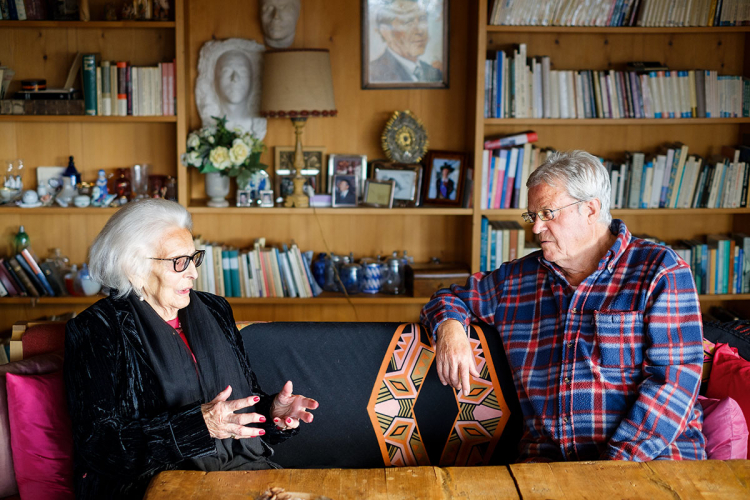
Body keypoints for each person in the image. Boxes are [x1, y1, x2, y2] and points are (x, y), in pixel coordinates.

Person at [421, 150, 705, 462]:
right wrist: (450, 330)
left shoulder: (659, 269)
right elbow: (447, 299)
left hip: (651, 460)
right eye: (532, 216)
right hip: (549, 464)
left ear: (591, 210)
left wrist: (615, 465)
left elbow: (674, 382)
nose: (535, 229)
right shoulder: (516, 280)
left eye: (548, 214)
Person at [64, 199, 319, 499]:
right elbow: (99, 446)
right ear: (134, 269)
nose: (194, 274)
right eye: (178, 262)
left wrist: (272, 412)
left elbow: (234, 412)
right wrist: (200, 426)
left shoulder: (214, 309)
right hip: (150, 486)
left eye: (193, 258)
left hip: (245, 472)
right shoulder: (98, 329)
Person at [196, 38, 267, 139]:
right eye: (226, 71)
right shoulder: (211, 128)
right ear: (214, 80)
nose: (235, 78)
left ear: (253, 80)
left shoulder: (256, 128)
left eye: (243, 72)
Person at [370, 0, 443, 83]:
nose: (420, 31)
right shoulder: (373, 73)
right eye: (408, 22)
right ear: (386, 32)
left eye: (423, 20)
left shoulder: (436, 73)